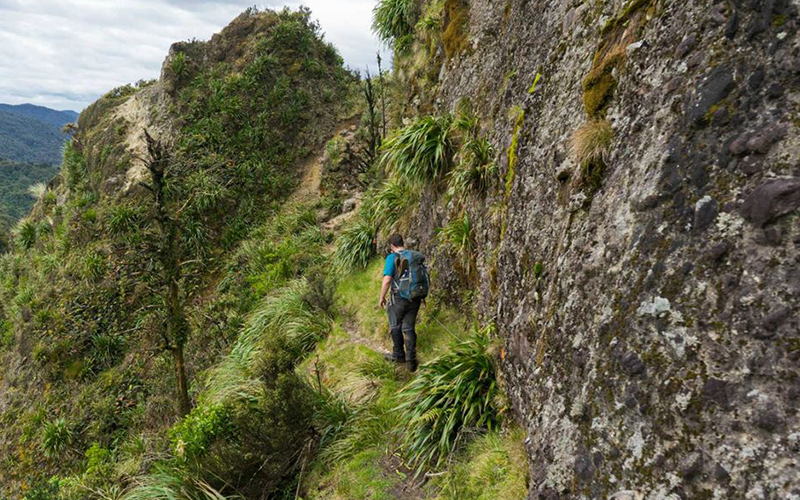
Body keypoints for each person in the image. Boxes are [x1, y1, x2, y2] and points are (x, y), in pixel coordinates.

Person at [379, 233, 423, 372]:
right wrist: (421, 296)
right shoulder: (414, 256)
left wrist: (382, 297)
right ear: (402, 243)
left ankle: (398, 355)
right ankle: (411, 362)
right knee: (409, 328)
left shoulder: (392, 257)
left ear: (392, 246)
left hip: (398, 298)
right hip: (415, 297)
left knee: (395, 325)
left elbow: (387, 280)